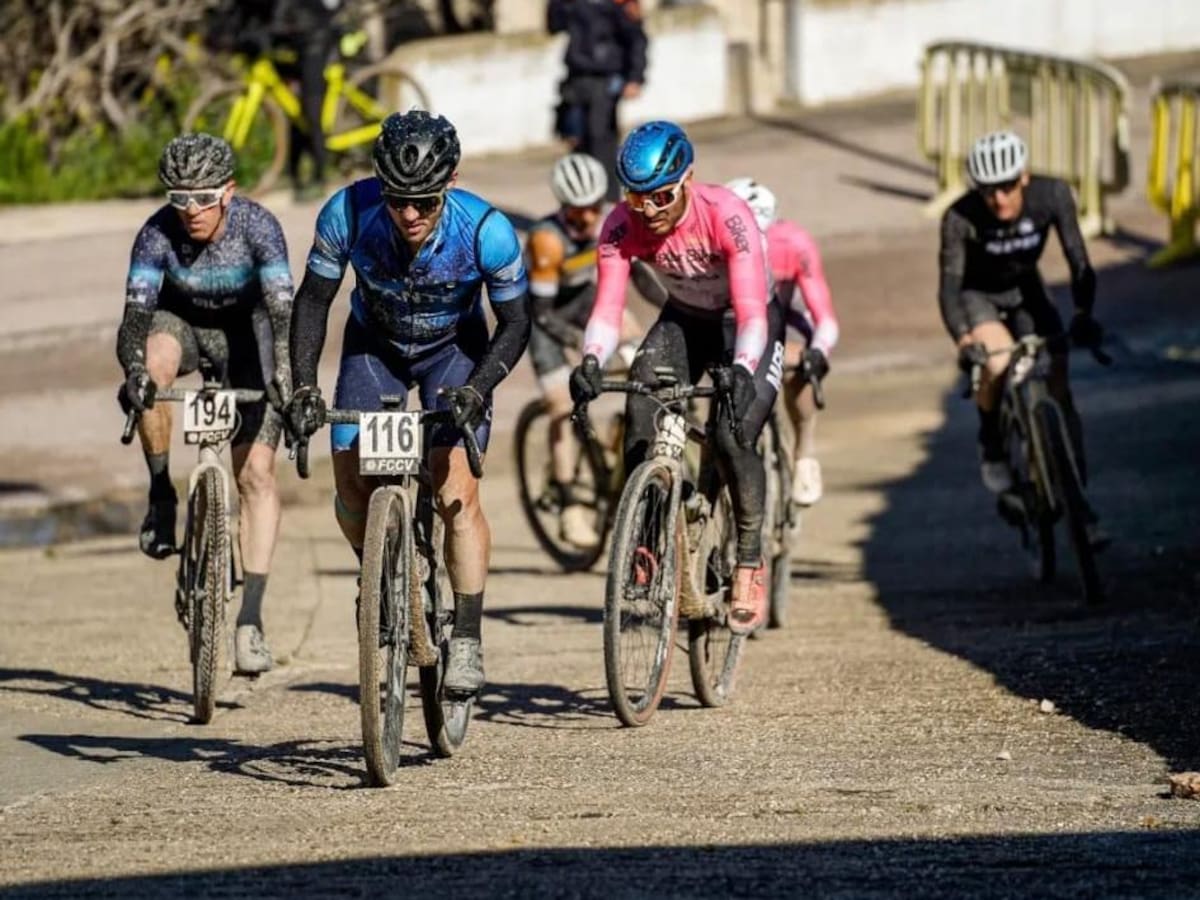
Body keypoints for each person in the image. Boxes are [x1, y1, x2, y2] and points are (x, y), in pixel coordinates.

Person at [283, 110, 531, 697]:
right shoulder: (347, 213)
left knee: (453, 493)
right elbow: (314, 301)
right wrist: (301, 387)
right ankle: (382, 572)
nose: (410, 214)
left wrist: (480, 387)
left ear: (448, 184)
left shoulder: (486, 230)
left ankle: (467, 636)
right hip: (376, 347)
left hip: (455, 353)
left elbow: (516, 322)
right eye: (397, 200)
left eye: (423, 201)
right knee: (349, 486)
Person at [569, 120, 784, 636]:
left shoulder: (727, 217)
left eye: (662, 197)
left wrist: (740, 369)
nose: (650, 211)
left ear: (688, 179)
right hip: (686, 319)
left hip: (746, 321)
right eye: (637, 199)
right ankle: (645, 540)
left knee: (733, 438)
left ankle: (750, 562)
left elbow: (753, 311)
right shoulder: (621, 225)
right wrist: (592, 360)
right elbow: (607, 306)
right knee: (640, 409)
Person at [116, 133, 294, 675]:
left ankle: (251, 621)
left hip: (248, 334)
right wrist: (135, 372)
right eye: (178, 198)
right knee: (152, 364)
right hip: (184, 327)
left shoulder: (259, 227)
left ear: (229, 192)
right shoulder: (155, 235)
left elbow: (283, 313)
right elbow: (134, 322)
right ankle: (161, 494)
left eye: (203, 198)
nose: (190, 211)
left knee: (257, 477)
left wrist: (285, 371)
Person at [939, 131, 1106, 534]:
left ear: (1025, 176)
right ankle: (992, 443)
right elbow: (948, 287)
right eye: (988, 191)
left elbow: (1078, 260)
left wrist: (1084, 313)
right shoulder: (959, 217)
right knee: (996, 364)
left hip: (1027, 291)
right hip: (979, 296)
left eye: (1008, 187)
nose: (999, 200)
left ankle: (1077, 500)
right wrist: (964, 340)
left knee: (1059, 388)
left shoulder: (1053, 195)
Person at [526, 152, 640, 548]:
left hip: (581, 299)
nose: (589, 218)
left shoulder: (610, 222)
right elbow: (541, 313)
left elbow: (636, 274)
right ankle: (569, 500)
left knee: (636, 345)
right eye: (579, 211)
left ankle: (617, 439)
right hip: (542, 316)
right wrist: (579, 345)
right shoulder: (547, 240)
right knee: (560, 405)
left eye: (595, 208)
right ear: (563, 206)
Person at [726, 177, 838, 508]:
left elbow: (825, 318)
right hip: (737, 317)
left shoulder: (795, 244)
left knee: (797, 365)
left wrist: (817, 352)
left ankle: (804, 453)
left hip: (785, 317)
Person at [547, 0, 648, 202]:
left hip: (605, 81)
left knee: (602, 143)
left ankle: (608, 205)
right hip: (575, 80)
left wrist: (635, 77)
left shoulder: (617, 4)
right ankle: (579, 202)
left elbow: (636, 38)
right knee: (576, 143)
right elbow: (554, 25)